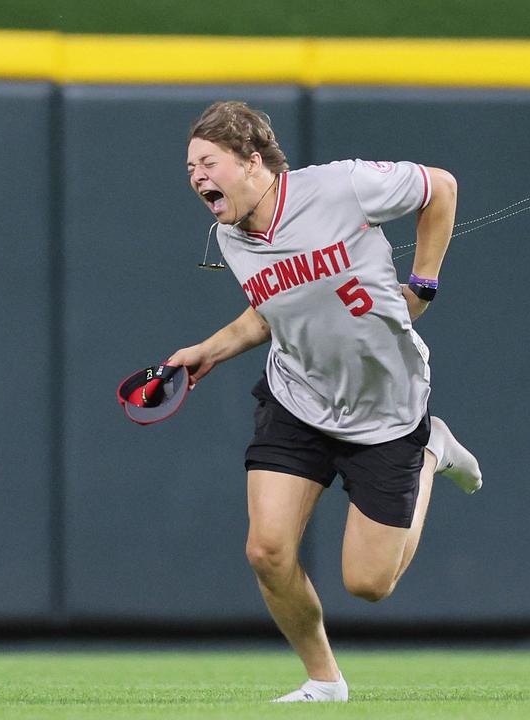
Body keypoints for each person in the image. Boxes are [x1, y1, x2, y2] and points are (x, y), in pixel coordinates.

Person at [169, 100, 483, 703]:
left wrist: (423, 280)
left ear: (252, 162)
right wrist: (207, 350)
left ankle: (429, 453)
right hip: (299, 397)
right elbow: (275, 308)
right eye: (190, 169)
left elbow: (439, 188)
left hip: (386, 407)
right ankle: (324, 679)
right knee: (266, 549)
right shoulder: (231, 237)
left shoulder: (338, 186)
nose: (197, 177)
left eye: (208, 163)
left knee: (369, 584)